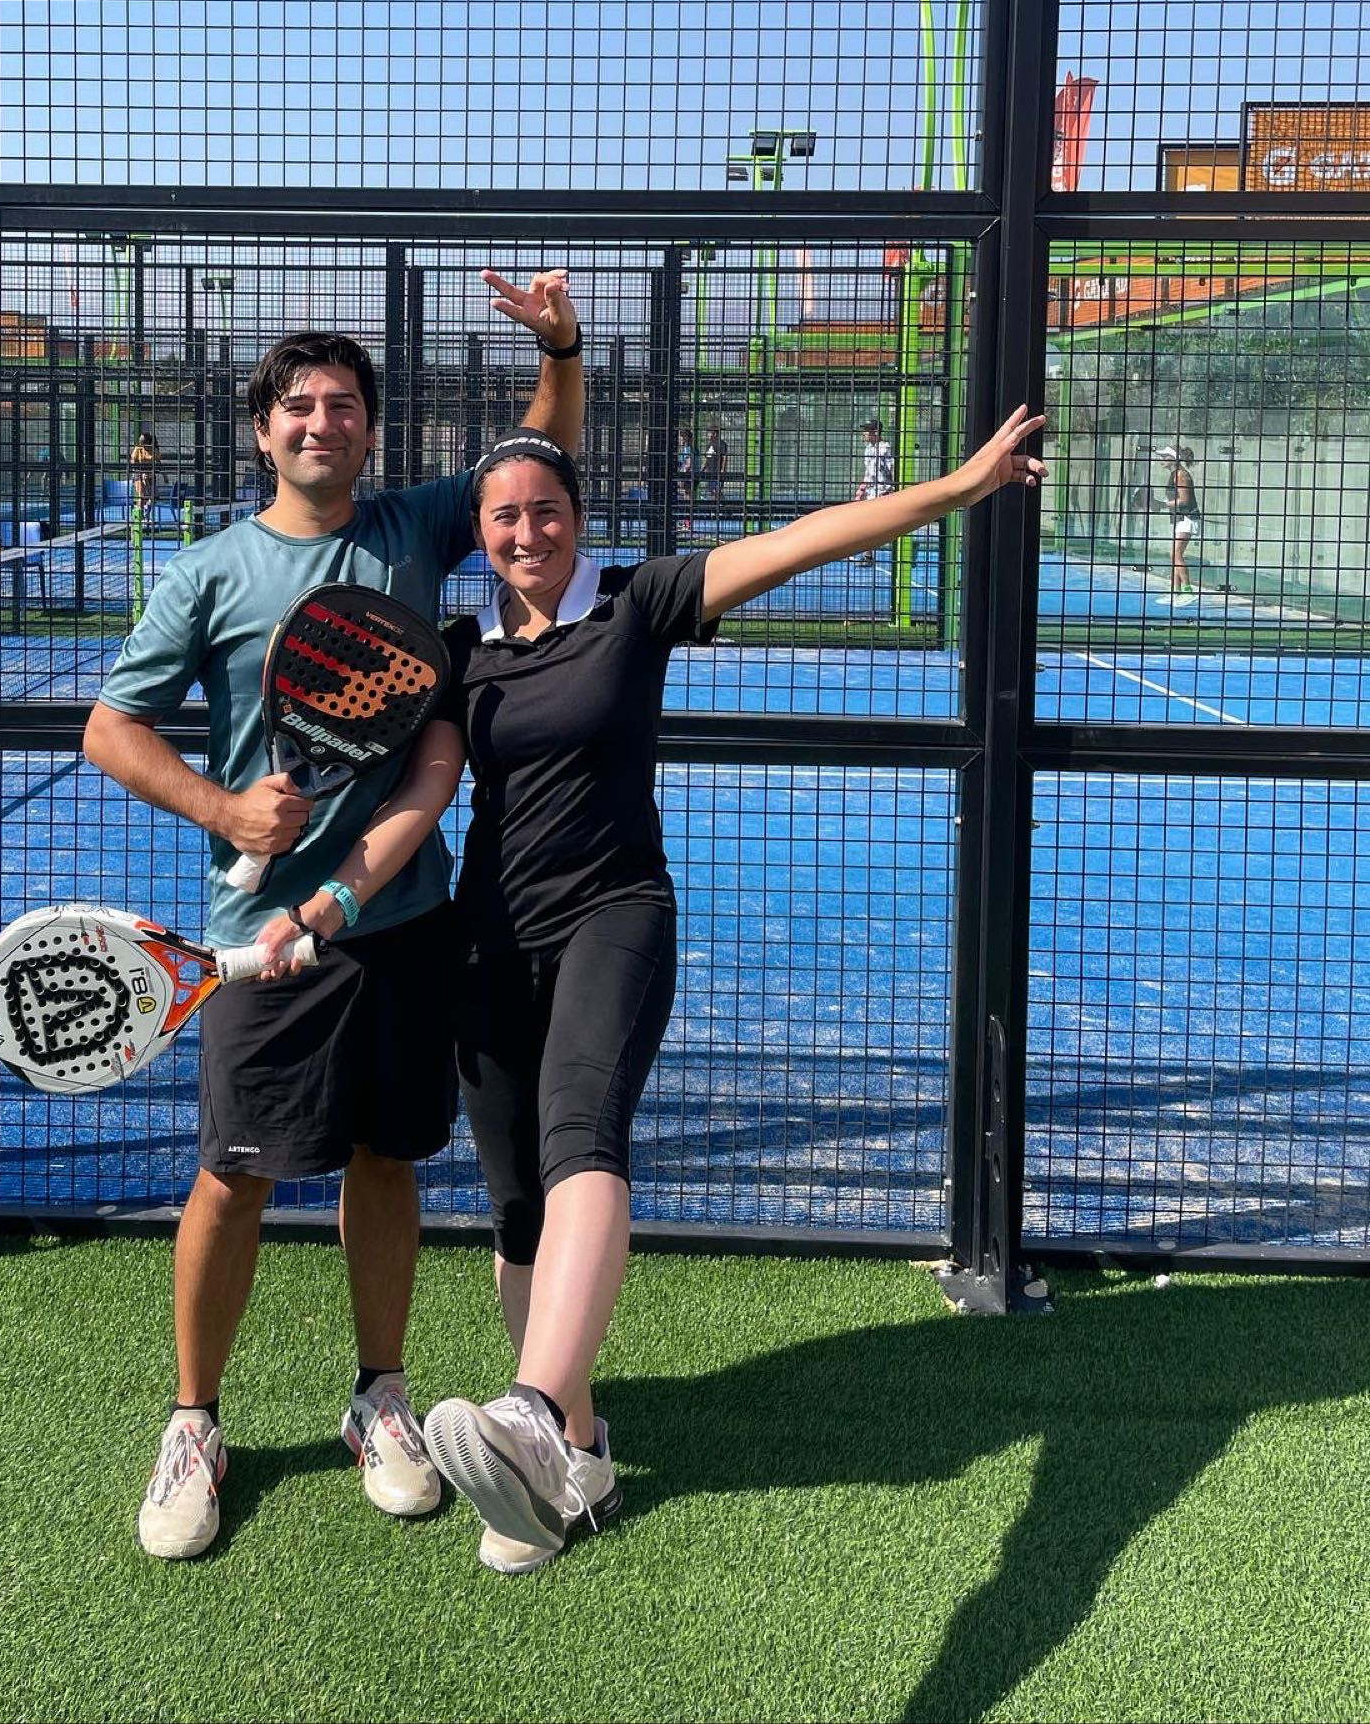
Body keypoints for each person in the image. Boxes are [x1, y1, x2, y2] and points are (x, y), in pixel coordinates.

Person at [260, 402, 1048, 1575]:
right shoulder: (460, 654)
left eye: (547, 513)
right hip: (491, 942)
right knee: (517, 1203)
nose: (526, 533)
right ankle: (574, 1457)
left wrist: (955, 490)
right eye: (503, 518)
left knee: (583, 1135)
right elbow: (424, 794)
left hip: (615, 917)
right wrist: (328, 901)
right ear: (480, 533)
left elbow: (806, 540)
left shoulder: (640, 601)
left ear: (580, 520)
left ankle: (533, 1411)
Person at [80, 269, 585, 1562]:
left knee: (386, 1159)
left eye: (344, 405)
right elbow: (112, 728)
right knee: (235, 1172)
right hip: (260, 935)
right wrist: (226, 808)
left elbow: (535, 464)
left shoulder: (411, 530)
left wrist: (562, 353)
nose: (322, 422)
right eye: (299, 406)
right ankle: (194, 1420)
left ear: (369, 427)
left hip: (403, 920)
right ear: (264, 430)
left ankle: (380, 1395)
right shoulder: (209, 572)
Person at [1157, 444, 1201, 593]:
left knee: (1176, 555)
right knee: (1174, 555)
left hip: (1188, 518)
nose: (1162, 459)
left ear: (1174, 458)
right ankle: (1176, 591)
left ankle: (1187, 589)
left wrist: (1163, 504)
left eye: (1165, 456)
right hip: (1180, 519)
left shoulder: (1181, 475)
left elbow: (1184, 500)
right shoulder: (1174, 474)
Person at [852, 416, 897, 561]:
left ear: (875, 432)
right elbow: (869, 471)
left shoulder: (885, 448)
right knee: (867, 523)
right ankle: (867, 554)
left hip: (883, 490)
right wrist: (861, 488)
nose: (864, 433)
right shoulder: (868, 449)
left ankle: (867, 553)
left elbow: (893, 468)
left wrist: (892, 489)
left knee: (872, 524)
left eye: (867, 431)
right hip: (872, 490)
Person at [129, 430, 159, 524]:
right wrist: (142, 473)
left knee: (154, 497)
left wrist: (153, 473)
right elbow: (133, 462)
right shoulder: (138, 449)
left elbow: (158, 462)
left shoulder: (154, 450)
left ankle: (147, 510)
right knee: (142, 496)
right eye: (140, 442)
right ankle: (139, 517)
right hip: (138, 473)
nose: (141, 444)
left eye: (143, 442)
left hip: (150, 473)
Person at [700, 427, 728, 506]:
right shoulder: (709, 444)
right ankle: (715, 506)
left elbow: (724, 457)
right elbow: (706, 459)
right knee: (712, 491)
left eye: (709, 433)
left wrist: (723, 469)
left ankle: (722, 505)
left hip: (717, 471)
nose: (707, 435)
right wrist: (702, 469)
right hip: (710, 471)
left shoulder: (721, 443)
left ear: (714, 434)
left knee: (717, 490)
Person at [674, 426, 695, 503]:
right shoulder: (689, 448)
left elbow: (689, 464)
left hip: (687, 475)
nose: (680, 439)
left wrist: (682, 477)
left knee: (688, 493)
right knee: (687, 493)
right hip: (689, 474)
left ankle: (688, 508)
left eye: (682, 437)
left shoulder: (687, 448)